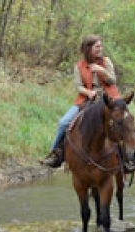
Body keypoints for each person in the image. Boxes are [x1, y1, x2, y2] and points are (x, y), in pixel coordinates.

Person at [41, 34, 120, 167]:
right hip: (87, 99)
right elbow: (78, 86)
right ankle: (56, 153)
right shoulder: (79, 66)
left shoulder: (107, 62)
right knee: (64, 123)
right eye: (97, 46)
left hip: (108, 99)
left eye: (101, 46)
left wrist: (103, 71)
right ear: (88, 48)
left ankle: (128, 157)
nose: (100, 49)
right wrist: (89, 93)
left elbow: (113, 81)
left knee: (122, 121)